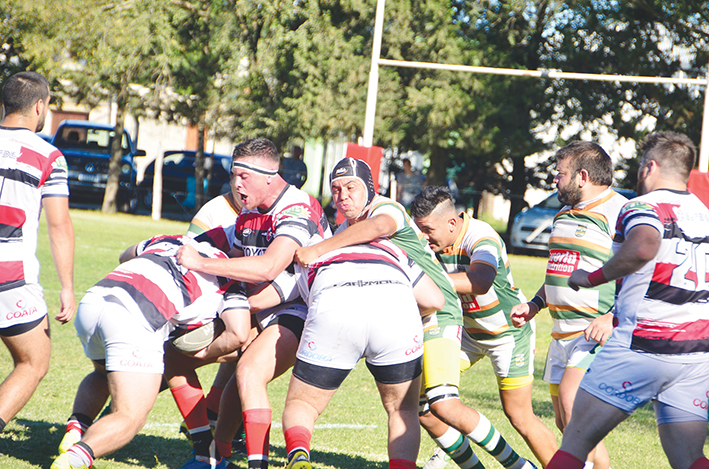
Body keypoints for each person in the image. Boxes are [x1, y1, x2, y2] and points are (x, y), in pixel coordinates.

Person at [295, 158, 537, 469]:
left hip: (440, 310)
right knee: (420, 409)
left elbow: (380, 228)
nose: (342, 196)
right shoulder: (347, 227)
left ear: (369, 188)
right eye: (336, 189)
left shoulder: (386, 210)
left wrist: (318, 248)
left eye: (351, 187)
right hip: (408, 316)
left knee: (444, 404)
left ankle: (518, 466)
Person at [546, 132, 709, 469]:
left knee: (574, 439)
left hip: (644, 344)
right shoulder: (704, 213)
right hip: (696, 352)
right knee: (689, 457)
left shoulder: (644, 206)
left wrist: (589, 277)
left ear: (650, 167)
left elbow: (644, 246)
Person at [176, 138, 331, 469]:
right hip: (265, 307)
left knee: (247, 372)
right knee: (192, 359)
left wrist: (202, 264)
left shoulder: (297, 208)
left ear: (270, 176)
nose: (236, 183)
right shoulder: (248, 212)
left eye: (244, 176)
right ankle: (216, 456)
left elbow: (267, 267)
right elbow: (228, 259)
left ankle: (254, 463)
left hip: (306, 310)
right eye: (234, 174)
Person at [52, 234, 252, 469]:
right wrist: (203, 353)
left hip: (95, 300)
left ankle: (76, 428)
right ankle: (74, 459)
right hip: (135, 317)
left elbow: (124, 255)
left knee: (103, 375)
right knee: (130, 416)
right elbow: (238, 333)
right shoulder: (231, 276)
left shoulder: (173, 239)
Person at [410, 186, 557, 468]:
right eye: (420, 230)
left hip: (508, 335)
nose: (424, 238)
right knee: (421, 403)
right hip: (465, 333)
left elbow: (480, 281)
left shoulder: (482, 236)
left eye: (428, 230)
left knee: (519, 416)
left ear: (452, 223)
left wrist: (430, 282)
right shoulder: (428, 240)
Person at [511, 141, 627, 469]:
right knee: (567, 424)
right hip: (561, 333)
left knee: (573, 406)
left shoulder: (620, 213)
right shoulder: (563, 213)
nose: (554, 181)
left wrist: (612, 317)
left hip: (593, 331)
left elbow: (643, 273)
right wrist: (535, 304)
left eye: (559, 174)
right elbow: (558, 271)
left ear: (583, 176)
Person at [282, 237, 445, 469]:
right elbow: (435, 300)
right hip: (395, 309)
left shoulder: (310, 251)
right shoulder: (392, 247)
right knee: (402, 410)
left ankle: (299, 456)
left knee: (303, 403)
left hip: (336, 307)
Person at [0, 71, 75, 433]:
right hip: (10, 275)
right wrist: (67, 286)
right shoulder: (49, 155)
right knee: (33, 362)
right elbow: (58, 225)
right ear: (40, 106)